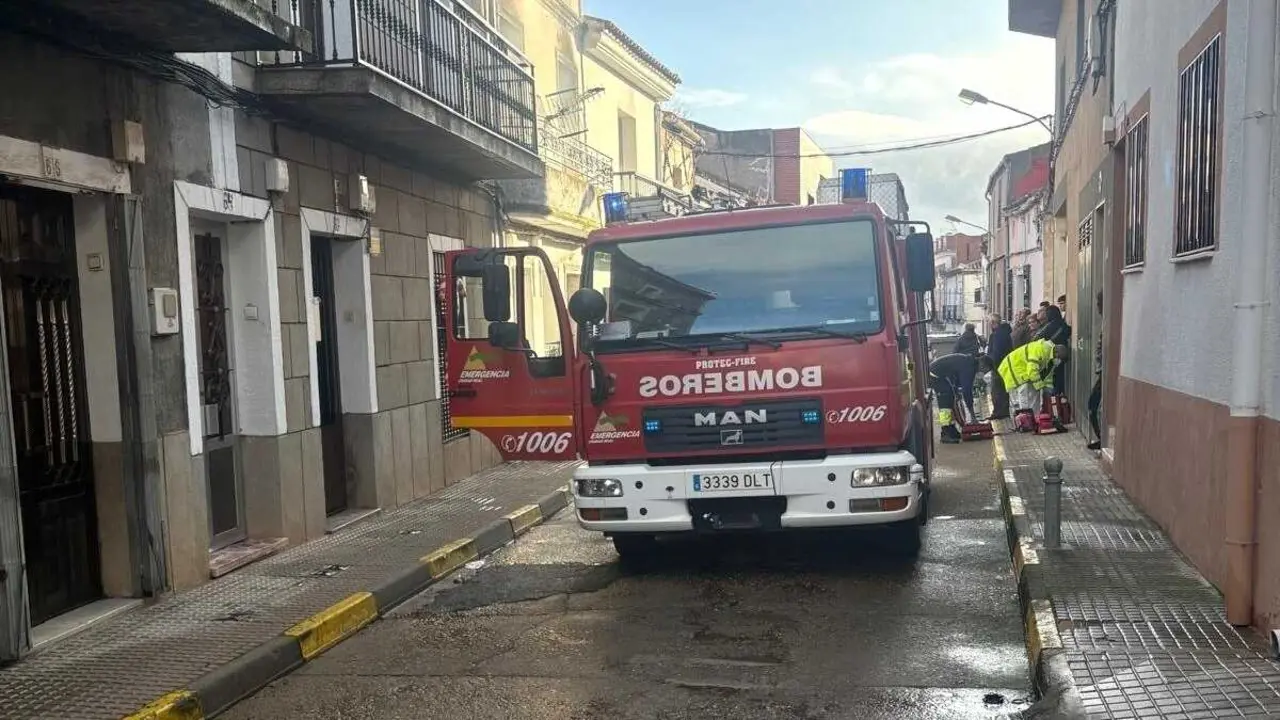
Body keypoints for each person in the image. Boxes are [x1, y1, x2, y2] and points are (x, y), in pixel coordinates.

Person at [997, 338, 1068, 424]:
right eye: (1059, 358)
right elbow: (1032, 370)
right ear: (1056, 353)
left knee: (1032, 396)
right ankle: (1023, 422)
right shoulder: (1041, 349)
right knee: (1023, 398)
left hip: (1020, 370)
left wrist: (1049, 390)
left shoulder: (1050, 356)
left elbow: (1048, 377)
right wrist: (1039, 386)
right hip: (1014, 369)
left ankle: (1032, 421)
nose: (1059, 361)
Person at [930, 352, 994, 443]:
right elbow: (967, 391)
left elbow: (956, 376)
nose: (984, 373)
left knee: (950, 397)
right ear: (982, 364)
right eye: (986, 370)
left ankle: (951, 429)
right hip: (934, 374)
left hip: (940, 374)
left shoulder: (970, 363)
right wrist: (973, 416)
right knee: (945, 403)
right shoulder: (969, 367)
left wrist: (955, 390)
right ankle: (945, 432)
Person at [1035, 304, 1072, 396]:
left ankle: (1053, 402)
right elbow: (1068, 331)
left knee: (1052, 382)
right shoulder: (1062, 324)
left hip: (1050, 356)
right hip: (1061, 356)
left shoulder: (1048, 326)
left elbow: (1037, 340)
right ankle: (1058, 400)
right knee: (1059, 381)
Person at [987, 314, 1014, 419]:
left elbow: (996, 352)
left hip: (998, 366)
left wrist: (993, 364)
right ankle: (1003, 411)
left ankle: (999, 412)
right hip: (1005, 364)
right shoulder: (1004, 332)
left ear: (993, 323)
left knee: (997, 390)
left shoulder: (997, 334)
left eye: (989, 322)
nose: (989, 325)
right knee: (1002, 389)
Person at [1087, 291, 1104, 450]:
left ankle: (1102, 438)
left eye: (1099, 304)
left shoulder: (1108, 322)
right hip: (1102, 371)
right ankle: (1101, 438)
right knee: (1093, 404)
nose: (1097, 308)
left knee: (1093, 404)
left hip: (1105, 373)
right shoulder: (1105, 322)